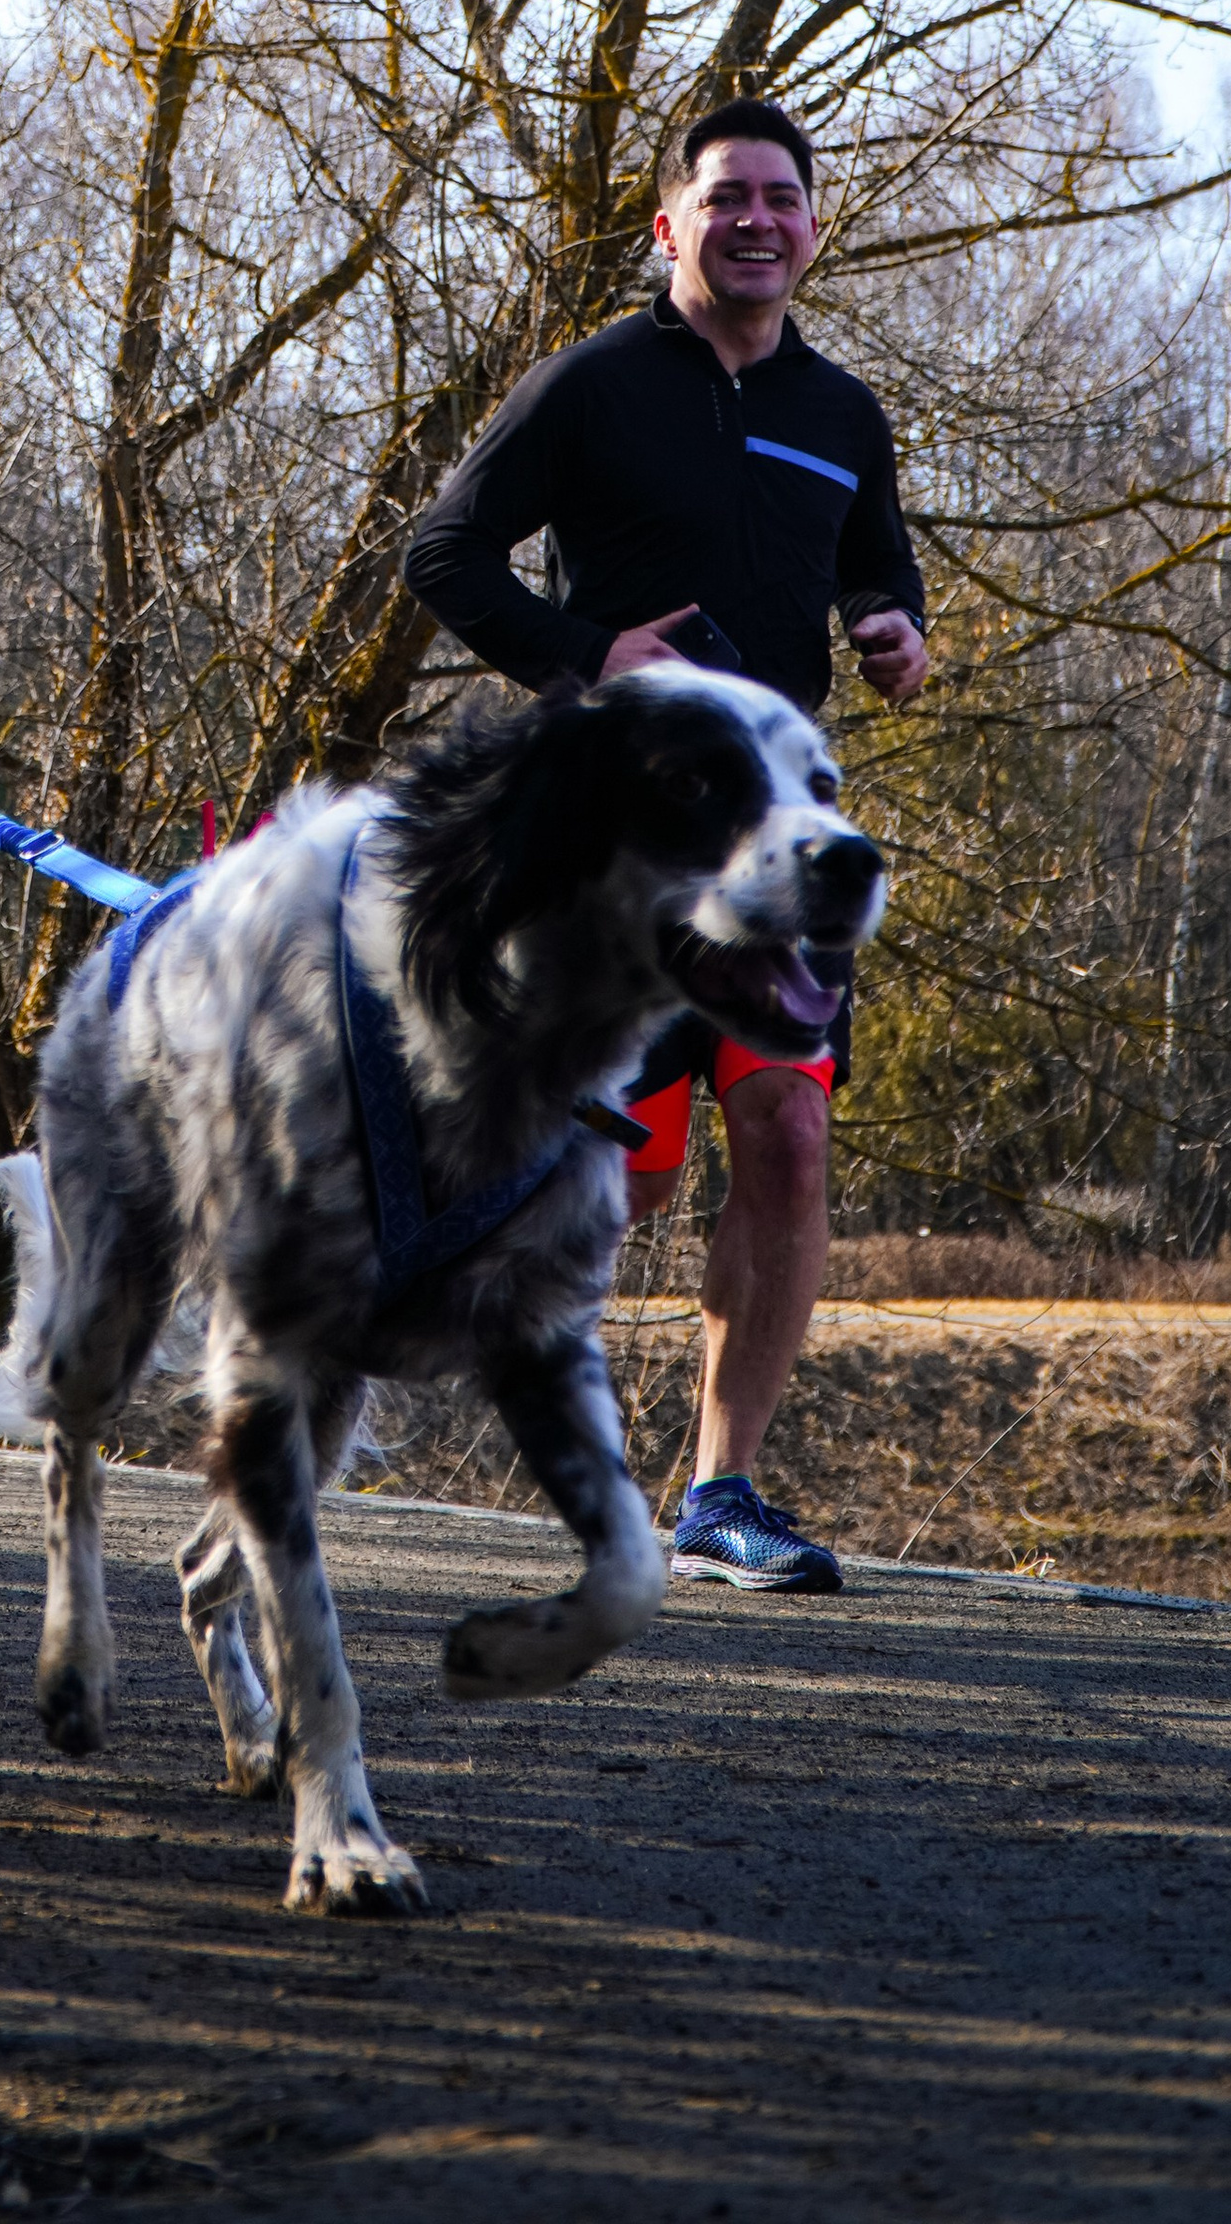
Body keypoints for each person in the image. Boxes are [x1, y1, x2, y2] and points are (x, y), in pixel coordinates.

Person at [403, 95, 927, 1592]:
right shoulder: (593, 386)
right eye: (727, 198)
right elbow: (441, 553)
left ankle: (723, 1495)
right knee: (606, 1190)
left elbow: (882, 591)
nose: (757, 220)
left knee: (793, 1133)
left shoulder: (845, 414)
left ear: (812, 226)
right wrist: (590, 651)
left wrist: (896, 639)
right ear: (670, 225)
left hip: (786, 846)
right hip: (627, 856)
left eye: (783, 198)